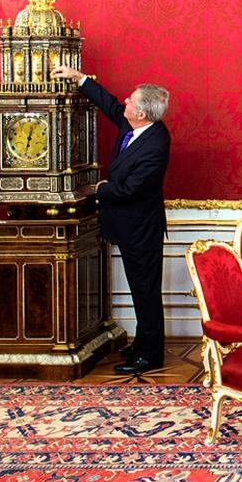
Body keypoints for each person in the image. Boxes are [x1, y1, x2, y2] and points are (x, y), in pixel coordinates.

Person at [52, 64, 171, 375]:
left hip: (141, 229)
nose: (125, 103)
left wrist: (102, 189)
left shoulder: (156, 142)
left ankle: (151, 354)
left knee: (145, 291)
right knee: (139, 289)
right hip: (129, 227)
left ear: (143, 114)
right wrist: (80, 79)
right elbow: (109, 104)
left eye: (130, 101)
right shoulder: (136, 127)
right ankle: (144, 343)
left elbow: (132, 188)